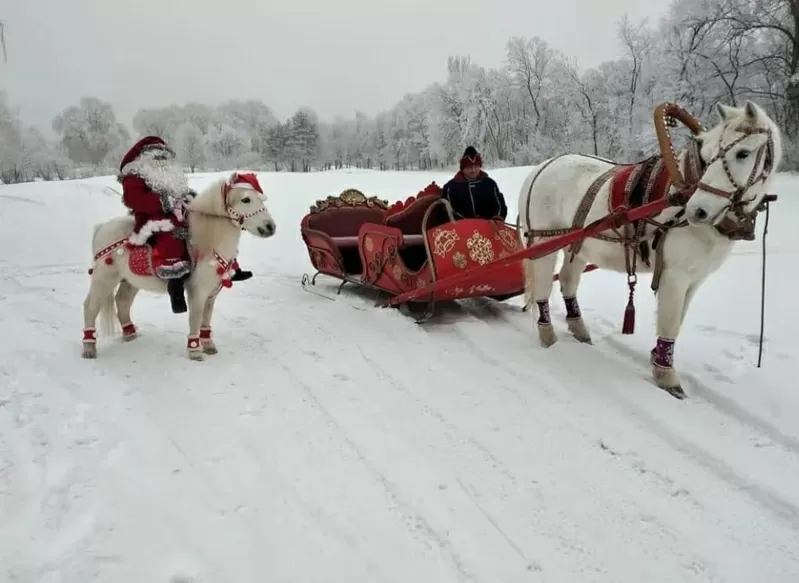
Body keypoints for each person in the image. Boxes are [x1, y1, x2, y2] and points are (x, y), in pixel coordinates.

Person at [118, 136, 252, 314]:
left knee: (209, 228)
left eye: (164, 155)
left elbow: (180, 192)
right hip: (152, 218)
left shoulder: (171, 175)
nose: (162, 159)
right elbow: (133, 199)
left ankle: (231, 267)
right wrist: (163, 201)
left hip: (179, 211)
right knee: (171, 235)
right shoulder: (135, 174)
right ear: (145, 157)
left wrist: (189, 197)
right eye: (157, 155)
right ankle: (175, 284)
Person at [441, 146, 508, 221]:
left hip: (489, 227)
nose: (473, 170)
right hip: (461, 229)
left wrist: (497, 219)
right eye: (469, 167)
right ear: (462, 168)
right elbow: (444, 211)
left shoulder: (490, 184)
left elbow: (500, 205)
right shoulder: (451, 187)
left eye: (476, 166)